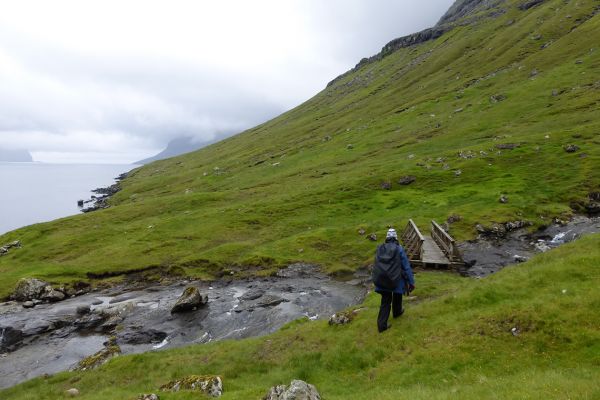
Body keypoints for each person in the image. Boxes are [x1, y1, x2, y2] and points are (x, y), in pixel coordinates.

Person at [372, 228, 415, 332]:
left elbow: (376, 264)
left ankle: (381, 325)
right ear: (396, 238)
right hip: (396, 279)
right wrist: (411, 282)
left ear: (387, 237)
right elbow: (406, 266)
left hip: (382, 279)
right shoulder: (399, 248)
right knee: (397, 293)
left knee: (385, 302)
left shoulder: (380, 248)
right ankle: (397, 312)